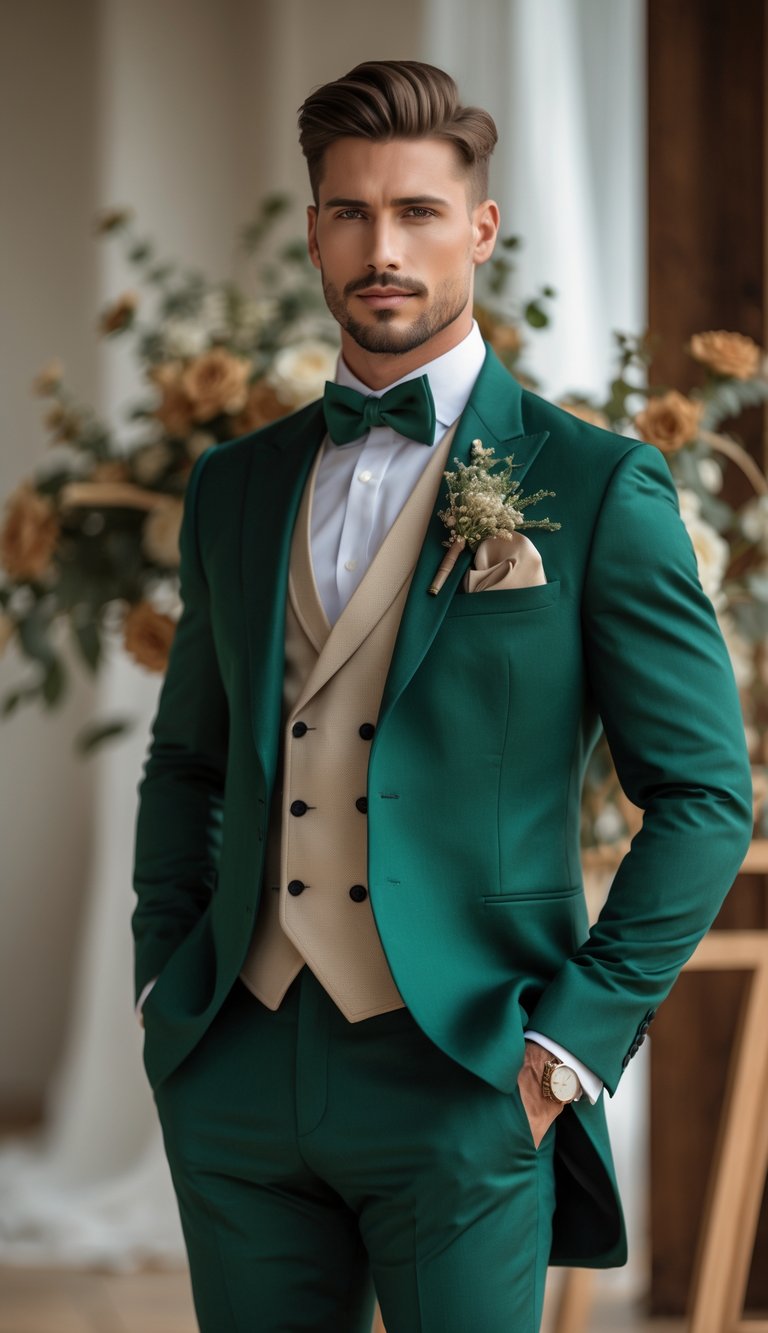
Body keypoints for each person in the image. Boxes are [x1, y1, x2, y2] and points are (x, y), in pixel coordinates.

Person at [131, 60, 753, 1333]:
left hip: (469, 1067)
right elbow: (188, 762)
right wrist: (162, 984)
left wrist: (567, 1047)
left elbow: (703, 796)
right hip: (238, 1064)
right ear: (314, 232)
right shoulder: (235, 488)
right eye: (351, 213)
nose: (383, 248)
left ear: (480, 226)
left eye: (418, 211)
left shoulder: (596, 486)